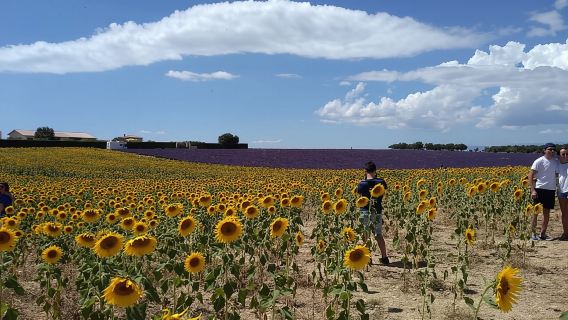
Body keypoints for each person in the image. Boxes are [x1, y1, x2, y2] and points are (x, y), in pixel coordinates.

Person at [356, 161, 389, 265]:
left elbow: (359, 195)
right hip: (377, 211)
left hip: (364, 211)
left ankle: (368, 258)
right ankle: (384, 257)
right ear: (375, 170)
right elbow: (383, 192)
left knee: (365, 234)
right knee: (378, 234)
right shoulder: (381, 182)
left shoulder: (362, 183)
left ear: (365, 171)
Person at [528, 143, 558, 240]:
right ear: (544, 150)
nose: (552, 151)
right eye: (549, 149)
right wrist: (532, 190)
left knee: (547, 213)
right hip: (539, 189)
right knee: (535, 213)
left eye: (553, 150)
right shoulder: (539, 161)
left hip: (551, 190)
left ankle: (543, 234)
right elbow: (530, 175)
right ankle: (533, 234)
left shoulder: (555, 161)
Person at [557, 147, 568, 241]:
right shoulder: (557, 165)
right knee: (564, 213)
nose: (565, 156)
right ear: (559, 156)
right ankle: (565, 233)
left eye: (567, 154)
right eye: (563, 154)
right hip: (562, 191)